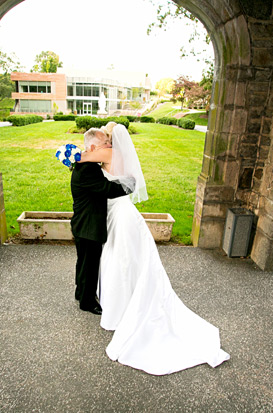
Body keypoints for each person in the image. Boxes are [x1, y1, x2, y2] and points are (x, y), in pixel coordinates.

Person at [77, 123, 230, 375]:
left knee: (123, 259)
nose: (105, 141)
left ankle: (121, 305)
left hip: (121, 214)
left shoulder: (109, 154)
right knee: (120, 258)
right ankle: (118, 299)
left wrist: (71, 153)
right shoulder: (114, 154)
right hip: (117, 212)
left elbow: (80, 156)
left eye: (107, 136)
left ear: (111, 140)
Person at [70, 128, 129, 315]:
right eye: (106, 143)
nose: (109, 146)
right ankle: (87, 302)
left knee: (83, 261)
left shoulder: (88, 165)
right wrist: (131, 185)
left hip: (83, 223)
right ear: (94, 146)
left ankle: (81, 292)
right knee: (90, 264)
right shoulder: (88, 170)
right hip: (89, 225)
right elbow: (108, 189)